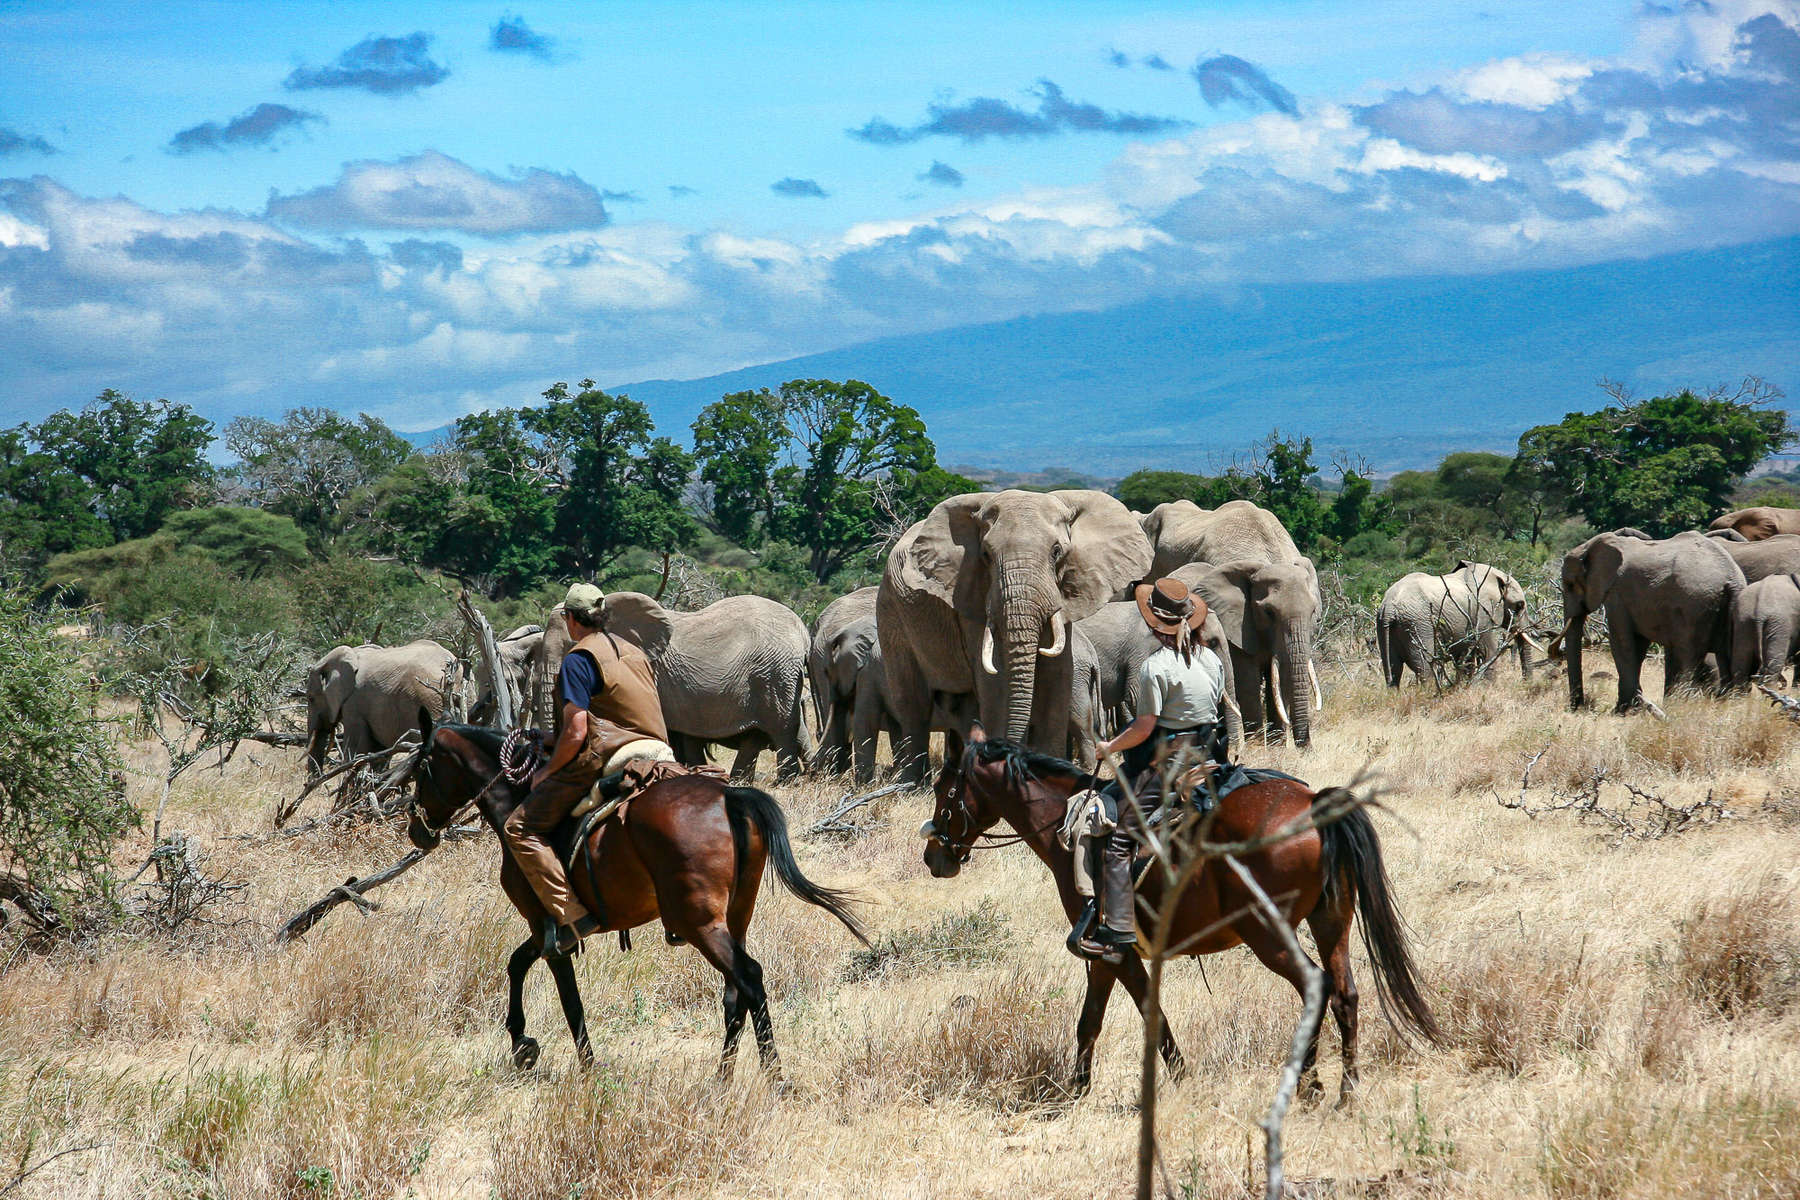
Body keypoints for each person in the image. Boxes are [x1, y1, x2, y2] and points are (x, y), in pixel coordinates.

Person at [504, 582, 671, 959]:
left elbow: (579, 731)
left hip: (614, 753)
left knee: (520, 828)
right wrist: (546, 738)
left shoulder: (579, 659)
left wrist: (547, 772)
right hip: (660, 752)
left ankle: (573, 918)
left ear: (568, 619)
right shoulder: (634, 652)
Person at [1073, 576, 1227, 962]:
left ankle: (1120, 928)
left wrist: (1108, 746)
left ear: (1153, 624)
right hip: (1211, 757)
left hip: (1172, 764)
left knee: (1121, 841)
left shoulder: (1155, 667)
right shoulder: (1211, 659)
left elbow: (1143, 728)